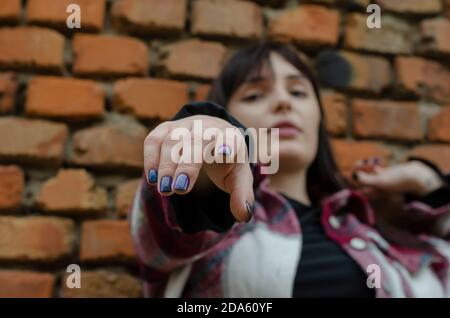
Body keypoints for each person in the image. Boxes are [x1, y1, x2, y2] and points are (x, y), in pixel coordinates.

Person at [130, 41, 450, 298]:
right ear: (230, 118)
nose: (283, 102)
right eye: (255, 95)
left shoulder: (375, 233)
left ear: (318, 119)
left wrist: (424, 180)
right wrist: (201, 144)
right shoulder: (214, 233)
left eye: (298, 92)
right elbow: (176, 224)